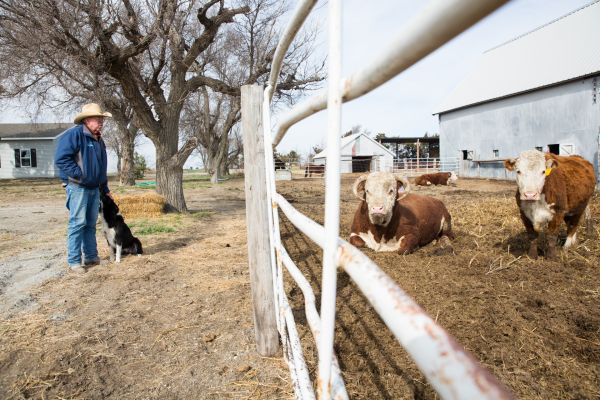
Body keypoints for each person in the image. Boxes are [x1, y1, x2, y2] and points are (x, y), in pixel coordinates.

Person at [55, 103, 113, 273]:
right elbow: (62, 159)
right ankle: (74, 261)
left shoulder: (98, 139)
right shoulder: (74, 135)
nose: (101, 122)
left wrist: (105, 187)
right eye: (98, 119)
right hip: (78, 187)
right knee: (77, 223)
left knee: (90, 223)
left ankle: (91, 256)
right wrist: (80, 175)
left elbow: (101, 166)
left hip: (94, 188)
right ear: (87, 120)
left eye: (102, 119)